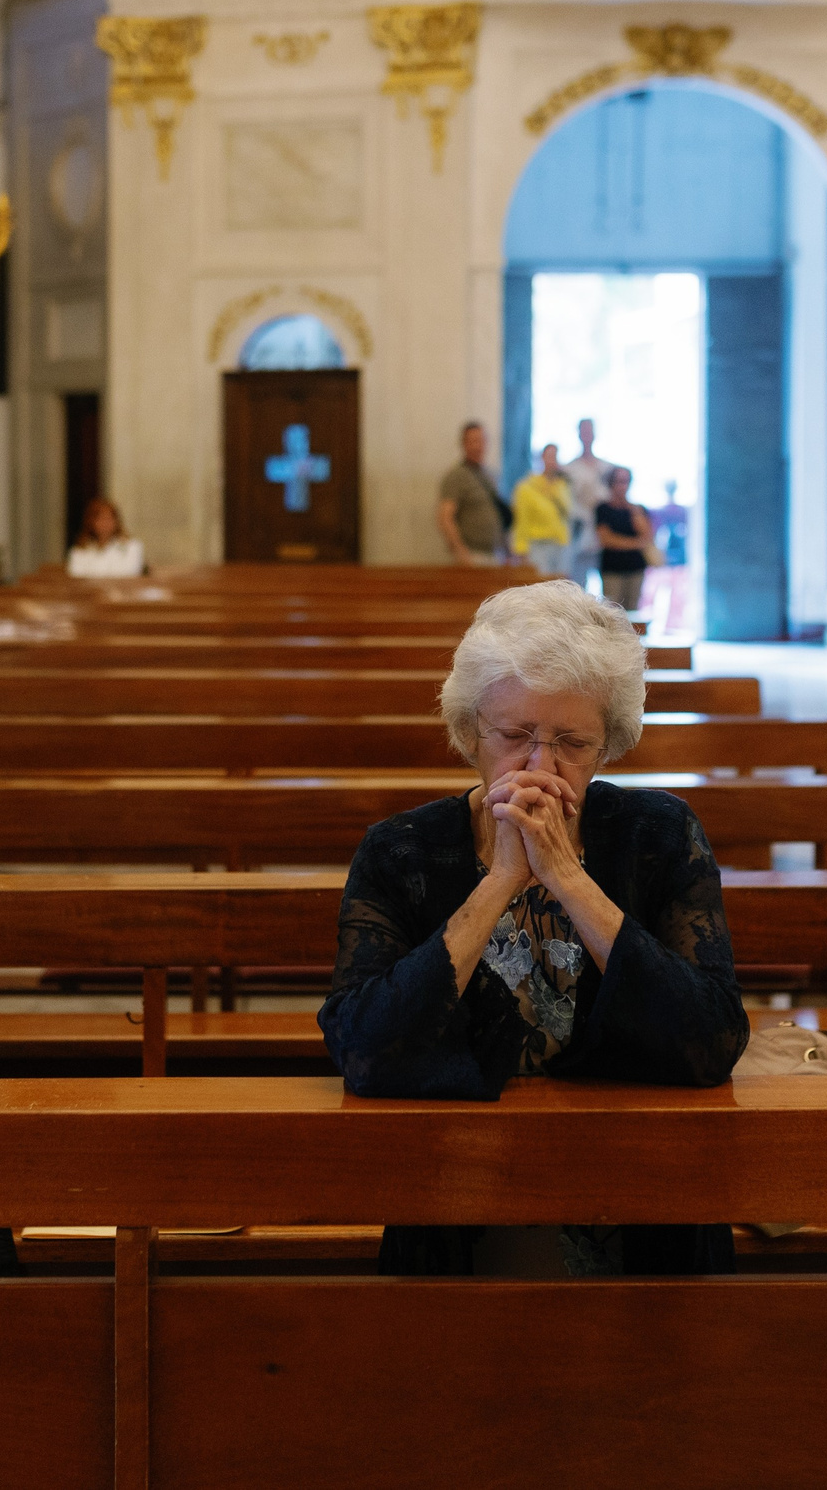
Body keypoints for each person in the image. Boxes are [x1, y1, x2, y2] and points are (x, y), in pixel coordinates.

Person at [319, 579, 749, 1275]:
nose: (541, 767)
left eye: (572, 742)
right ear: (470, 733)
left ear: (607, 747)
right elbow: (364, 1051)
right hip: (453, 1203)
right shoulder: (400, 852)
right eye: (515, 736)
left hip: (647, 1205)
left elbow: (712, 1041)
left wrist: (567, 878)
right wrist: (499, 882)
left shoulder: (661, 834)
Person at [437, 421, 509, 565]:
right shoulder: (456, 476)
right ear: (464, 444)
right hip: (473, 554)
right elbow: (445, 518)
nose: (478, 446)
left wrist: (508, 550)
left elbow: (497, 514)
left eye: (481, 441)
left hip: (496, 553)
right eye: (473, 441)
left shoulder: (489, 476)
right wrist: (461, 551)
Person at [592, 465, 658, 613]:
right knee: (612, 611)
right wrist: (635, 543)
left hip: (635, 567)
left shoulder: (637, 509)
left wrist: (634, 512)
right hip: (612, 568)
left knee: (633, 611)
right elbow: (606, 540)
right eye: (619, 481)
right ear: (610, 483)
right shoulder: (603, 509)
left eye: (626, 481)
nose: (622, 486)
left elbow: (647, 536)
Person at [510, 443, 575, 580]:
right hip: (538, 545)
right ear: (542, 458)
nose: (552, 461)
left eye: (555, 457)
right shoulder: (526, 487)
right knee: (541, 585)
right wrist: (521, 549)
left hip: (560, 545)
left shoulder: (563, 485)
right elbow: (522, 521)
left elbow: (567, 514)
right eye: (549, 456)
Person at [563, 418, 612, 591]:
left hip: (603, 535)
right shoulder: (570, 469)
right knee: (578, 587)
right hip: (578, 536)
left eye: (589, 431)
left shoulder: (606, 468)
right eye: (584, 431)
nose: (587, 435)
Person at [66, 496, 144, 578]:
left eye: (109, 519)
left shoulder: (132, 546)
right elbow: (76, 575)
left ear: (117, 521)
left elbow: (129, 573)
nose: (105, 524)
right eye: (100, 519)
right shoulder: (80, 549)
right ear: (91, 522)